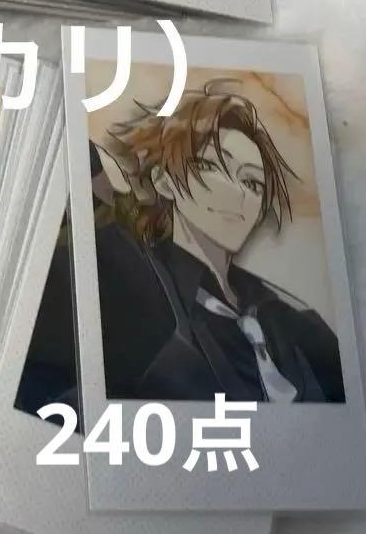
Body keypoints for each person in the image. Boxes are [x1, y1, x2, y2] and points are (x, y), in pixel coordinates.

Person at [88, 80, 343, 404]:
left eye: (252, 182)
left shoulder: (288, 316)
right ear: (164, 182)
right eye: (211, 167)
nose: (237, 193)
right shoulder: (135, 284)